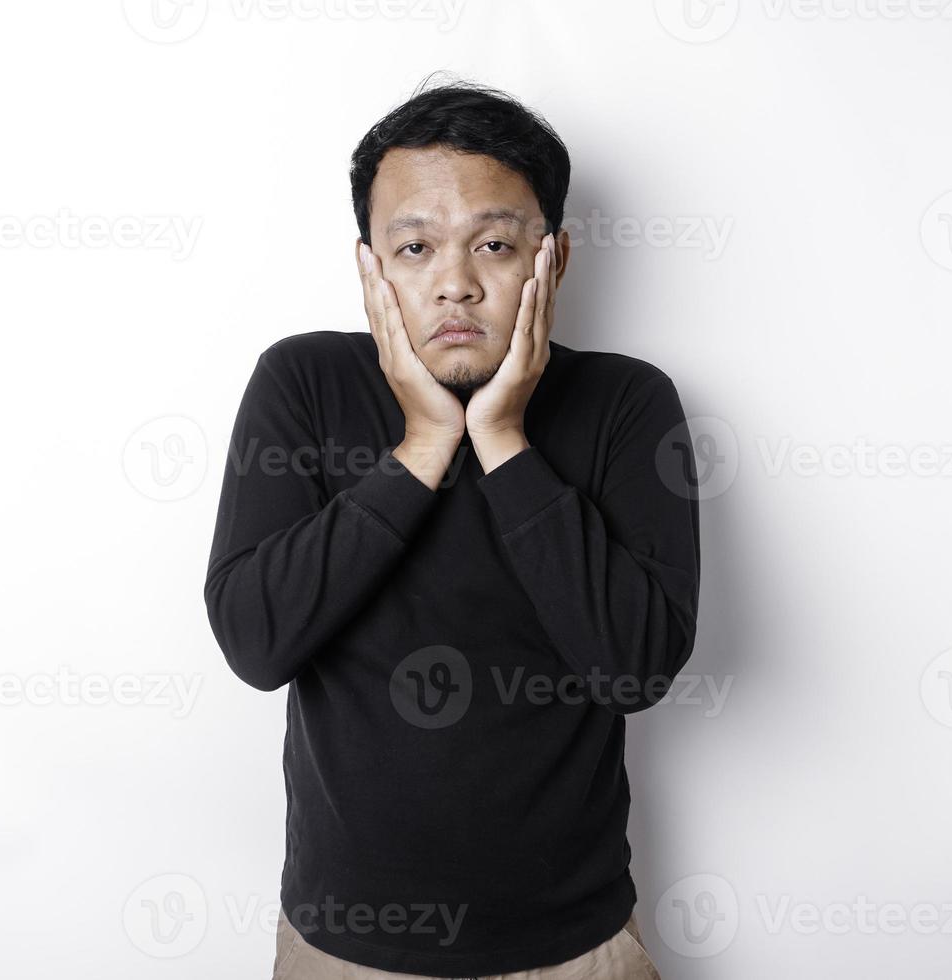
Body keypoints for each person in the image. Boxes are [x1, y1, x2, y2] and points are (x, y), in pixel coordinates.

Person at [203, 76, 700, 979]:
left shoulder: (628, 402)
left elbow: (636, 667)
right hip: (343, 945)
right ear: (371, 266)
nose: (456, 284)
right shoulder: (303, 384)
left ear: (553, 259)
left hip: (574, 944)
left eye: (496, 244)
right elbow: (255, 642)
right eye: (416, 246)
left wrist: (502, 438)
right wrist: (424, 443)